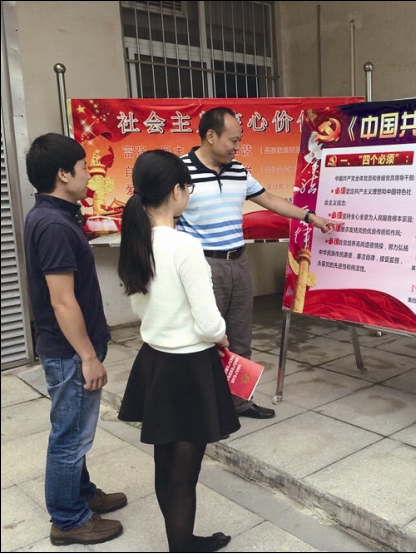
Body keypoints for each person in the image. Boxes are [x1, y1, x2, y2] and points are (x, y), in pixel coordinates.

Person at [177, 106, 337, 419]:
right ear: (210, 136)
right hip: (201, 266)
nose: (237, 147)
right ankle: (201, 409)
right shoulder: (180, 172)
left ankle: (239, 403)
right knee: (202, 338)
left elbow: (271, 200)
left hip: (238, 262)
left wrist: (310, 217)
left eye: (239, 140)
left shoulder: (238, 170)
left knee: (240, 337)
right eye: (232, 140)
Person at [117, 150, 239, 553]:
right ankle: (182, 546)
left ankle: (181, 542)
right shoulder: (184, 245)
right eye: (188, 187)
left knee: (165, 462)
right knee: (185, 473)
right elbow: (209, 322)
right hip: (189, 368)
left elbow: (139, 308)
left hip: (154, 362)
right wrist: (221, 336)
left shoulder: (137, 241)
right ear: (176, 191)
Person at [23, 133, 127, 546]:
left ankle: (81, 494)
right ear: (63, 174)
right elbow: (62, 300)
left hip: (68, 349)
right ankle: (68, 520)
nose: (89, 175)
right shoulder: (52, 225)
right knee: (70, 436)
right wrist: (87, 356)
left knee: (74, 429)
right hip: (69, 353)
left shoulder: (55, 216)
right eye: (84, 168)